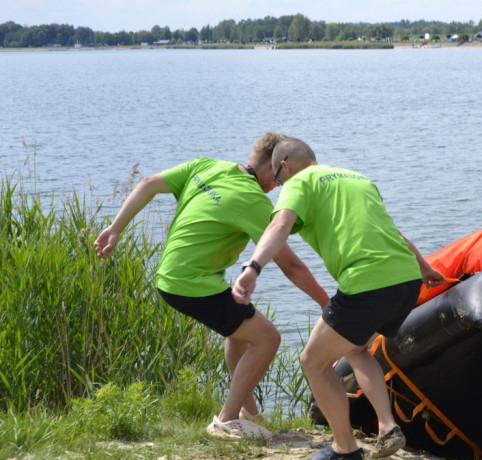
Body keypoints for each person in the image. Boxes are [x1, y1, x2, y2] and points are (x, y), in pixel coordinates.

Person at [94, 133, 330, 440]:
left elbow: (148, 182)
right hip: (192, 285)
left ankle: (251, 414)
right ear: (273, 166)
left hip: (170, 275)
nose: (279, 186)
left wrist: (115, 229)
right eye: (280, 180)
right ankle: (226, 420)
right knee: (268, 338)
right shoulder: (252, 200)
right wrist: (326, 303)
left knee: (241, 327)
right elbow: (290, 265)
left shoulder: (205, 166)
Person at [231, 137, 446, 460]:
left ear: (284, 165)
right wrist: (424, 267)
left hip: (368, 281)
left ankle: (344, 447)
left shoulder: (299, 181)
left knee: (312, 361)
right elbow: (393, 232)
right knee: (356, 349)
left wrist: (252, 268)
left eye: (276, 178)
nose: (277, 185)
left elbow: (280, 224)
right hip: (405, 280)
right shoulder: (356, 178)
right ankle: (388, 427)